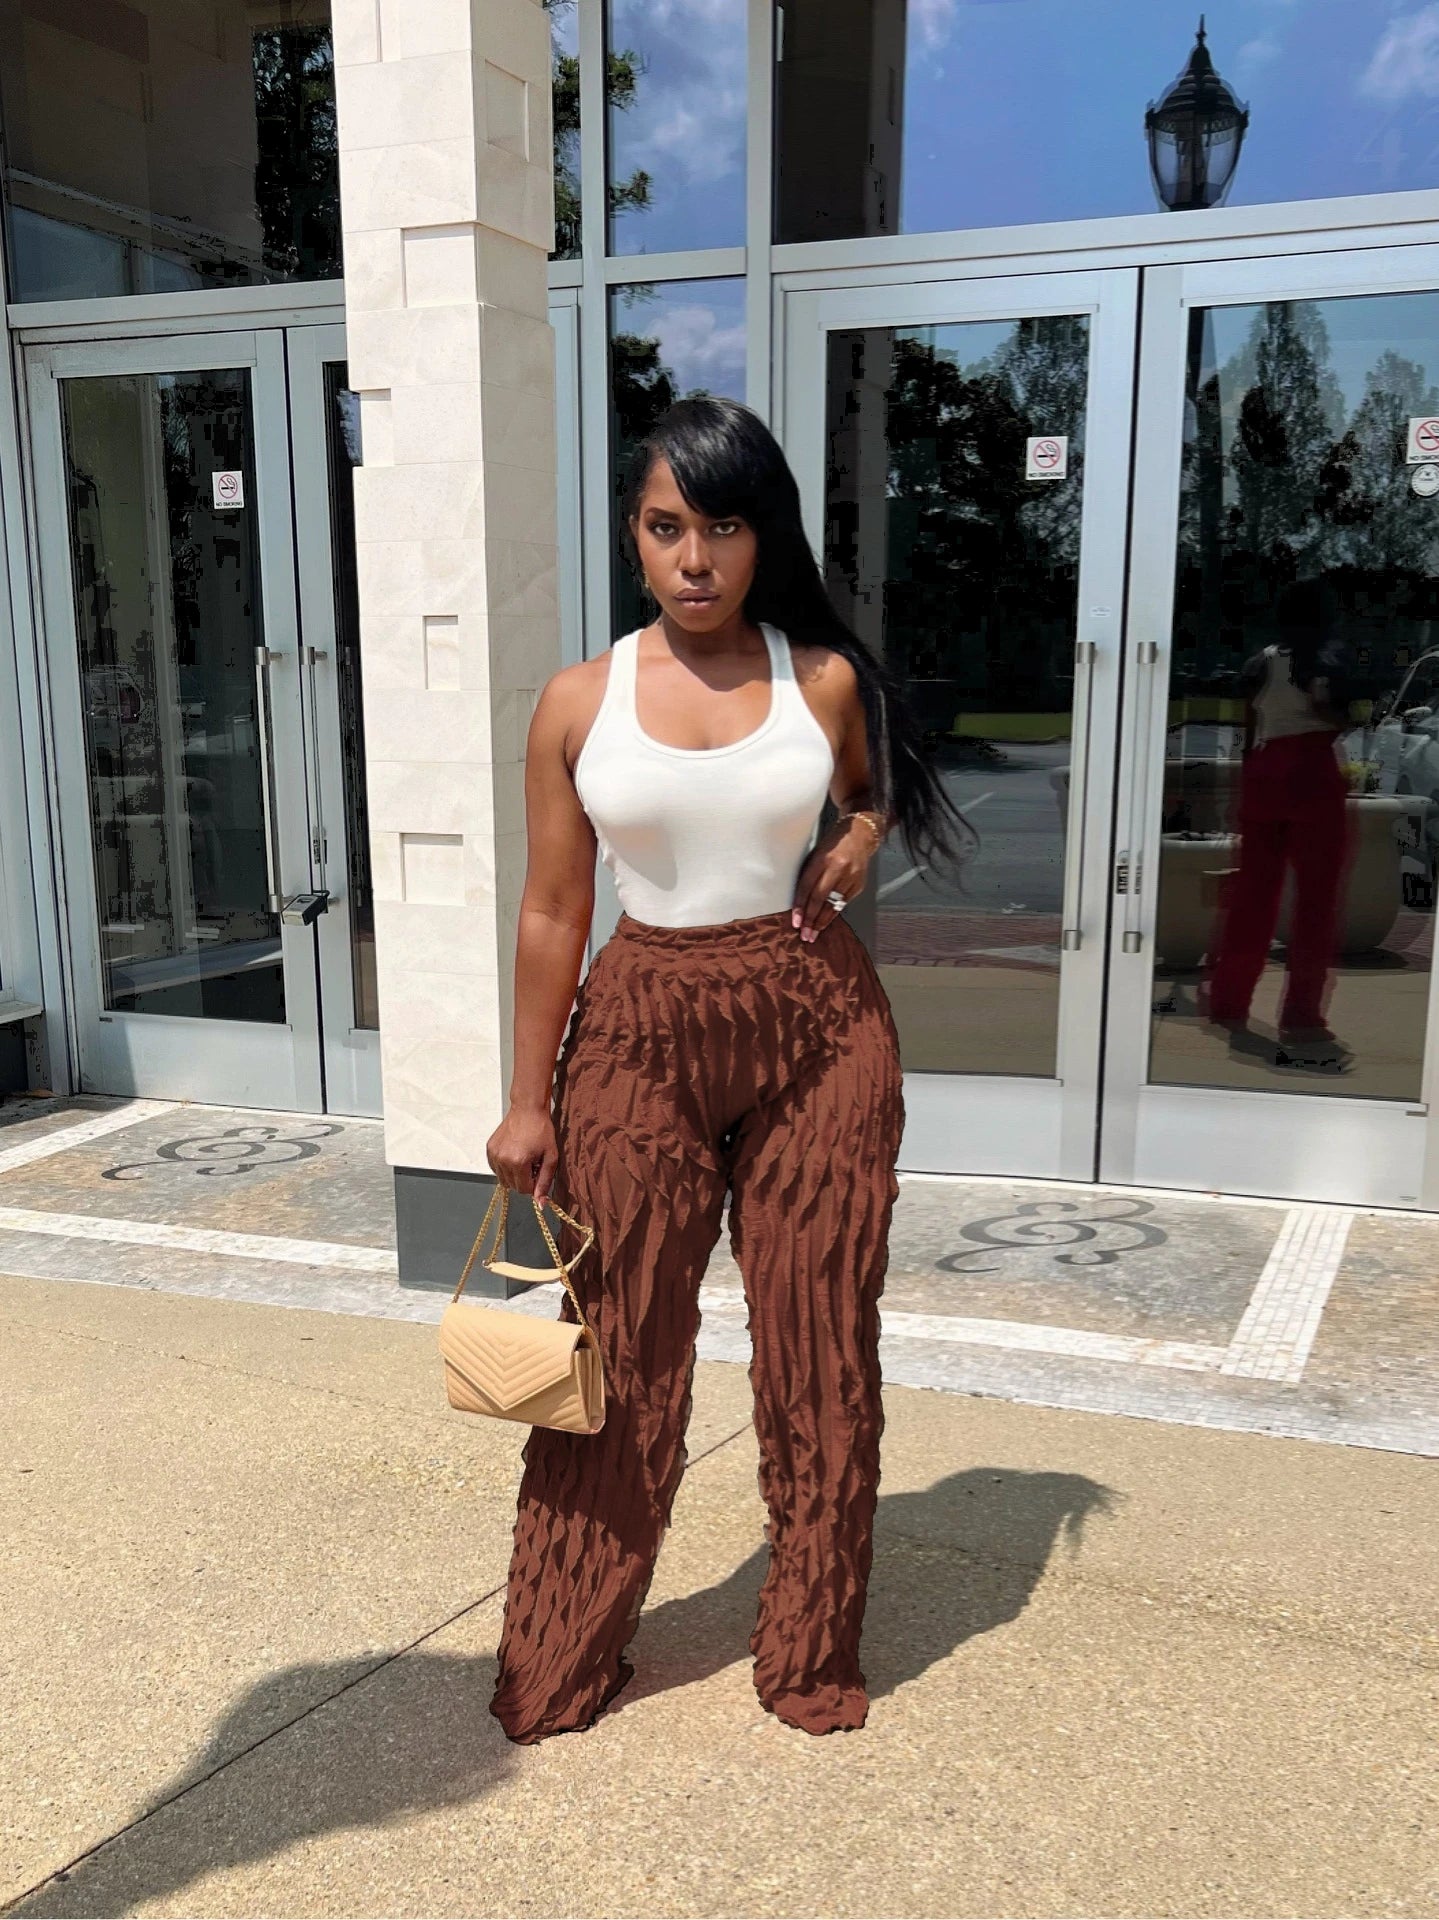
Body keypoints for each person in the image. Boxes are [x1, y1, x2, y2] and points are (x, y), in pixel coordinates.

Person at [483, 395, 972, 1744]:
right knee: (616, 1355)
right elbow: (551, 910)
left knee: (818, 1350)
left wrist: (860, 834)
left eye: (723, 526)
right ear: (632, 537)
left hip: (817, 1030)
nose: (693, 558)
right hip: (636, 1027)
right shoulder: (576, 702)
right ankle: (561, 1653)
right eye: (665, 527)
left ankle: (808, 1649)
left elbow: (866, 791)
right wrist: (524, 1101)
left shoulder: (821, 681)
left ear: (764, 537)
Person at [1204, 585, 1355, 1072]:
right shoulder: (1326, 659)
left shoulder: (1260, 662)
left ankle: (1229, 999)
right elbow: (1333, 717)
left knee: (1253, 897)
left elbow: (1250, 728)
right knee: (1315, 903)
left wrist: (1244, 785)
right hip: (1311, 770)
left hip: (1264, 771)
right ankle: (1301, 1013)